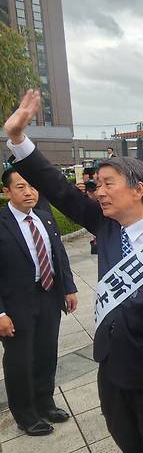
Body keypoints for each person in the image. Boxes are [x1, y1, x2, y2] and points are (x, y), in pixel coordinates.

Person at [4, 90, 143, 453]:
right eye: (97, 184)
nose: (99, 192)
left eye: (108, 183)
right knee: (123, 437)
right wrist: (18, 139)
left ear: (138, 189)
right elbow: (58, 188)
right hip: (111, 362)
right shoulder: (105, 225)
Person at [0, 169, 78, 436]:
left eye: (32, 186)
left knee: (47, 353)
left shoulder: (45, 218)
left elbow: (59, 255)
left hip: (48, 294)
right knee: (20, 360)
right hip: (15, 303)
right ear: (6, 192)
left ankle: (46, 403)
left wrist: (68, 288)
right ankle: (25, 414)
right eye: (20, 187)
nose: (28, 192)